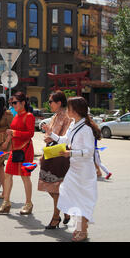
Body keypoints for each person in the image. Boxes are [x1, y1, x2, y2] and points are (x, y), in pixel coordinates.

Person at [44, 97, 100, 242]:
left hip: (84, 171)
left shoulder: (86, 129)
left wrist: (71, 153)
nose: (67, 110)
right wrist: (51, 133)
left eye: (69, 108)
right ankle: (79, 226)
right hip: (74, 168)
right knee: (69, 195)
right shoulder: (74, 124)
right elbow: (65, 140)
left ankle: (83, 229)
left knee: (83, 200)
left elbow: (89, 151)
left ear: (75, 110)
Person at [39, 91, 73, 229]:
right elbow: (51, 134)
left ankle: (55, 217)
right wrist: (48, 135)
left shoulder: (67, 117)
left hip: (59, 156)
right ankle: (65, 209)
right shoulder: (55, 116)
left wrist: (51, 136)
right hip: (50, 153)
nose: (49, 104)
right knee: (48, 186)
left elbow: (65, 139)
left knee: (56, 187)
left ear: (59, 103)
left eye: (50, 102)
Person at [0, 92, 35, 215]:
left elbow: (30, 134)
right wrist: (7, 141)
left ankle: (28, 203)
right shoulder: (16, 116)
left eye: (15, 103)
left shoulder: (29, 116)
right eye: (11, 103)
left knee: (25, 176)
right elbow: (11, 132)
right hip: (15, 149)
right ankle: (6, 202)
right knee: (8, 174)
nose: (13, 105)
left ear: (23, 103)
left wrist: (14, 133)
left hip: (26, 150)